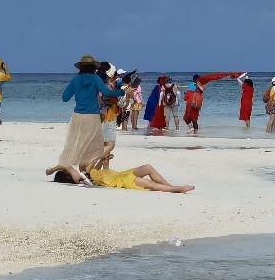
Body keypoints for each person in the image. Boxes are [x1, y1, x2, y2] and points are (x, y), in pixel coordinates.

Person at [50, 55, 122, 184]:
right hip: (92, 116)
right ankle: (87, 172)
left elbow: (65, 98)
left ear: (81, 68)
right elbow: (106, 93)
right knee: (95, 146)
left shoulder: (75, 80)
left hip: (77, 117)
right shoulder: (95, 78)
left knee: (81, 144)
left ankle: (83, 173)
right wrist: (120, 92)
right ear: (94, 68)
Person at [86, 150, 194, 194]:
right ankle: (176, 189)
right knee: (150, 184)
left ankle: (170, 186)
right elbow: (90, 169)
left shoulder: (96, 172)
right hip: (123, 181)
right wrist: (97, 159)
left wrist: (104, 159)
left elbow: (104, 168)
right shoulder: (92, 175)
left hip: (124, 174)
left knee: (148, 167)